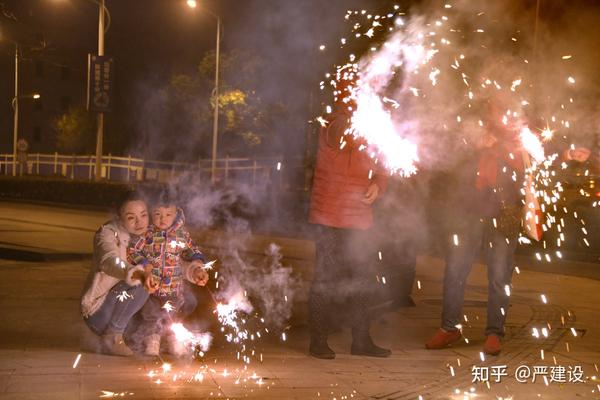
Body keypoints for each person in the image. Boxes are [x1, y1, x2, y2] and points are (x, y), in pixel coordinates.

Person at [425, 101, 590, 356]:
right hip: (467, 212)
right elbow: (447, 155)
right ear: (490, 111)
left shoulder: (521, 138)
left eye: (509, 110)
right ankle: (450, 327)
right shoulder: (473, 131)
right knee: (455, 270)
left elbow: (545, 155)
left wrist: (568, 154)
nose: (506, 115)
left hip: (506, 215)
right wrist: (474, 145)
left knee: (500, 277)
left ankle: (494, 333)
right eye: (500, 109)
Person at [307, 66, 391, 359]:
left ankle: (361, 340)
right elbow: (348, 137)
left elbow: (382, 163)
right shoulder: (334, 122)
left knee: (363, 278)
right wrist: (376, 126)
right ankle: (318, 340)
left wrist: (379, 186)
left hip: (359, 216)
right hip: (329, 214)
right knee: (325, 278)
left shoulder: (371, 122)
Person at [129, 196, 209, 357]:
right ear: (151, 214)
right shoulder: (147, 235)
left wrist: (198, 267)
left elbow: (193, 251)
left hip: (175, 287)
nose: (162, 219)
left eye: (168, 214)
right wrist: (144, 263)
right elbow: (133, 250)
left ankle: (173, 339)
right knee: (151, 315)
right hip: (153, 288)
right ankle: (152, 339)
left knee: (174, 315)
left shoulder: (181, 235)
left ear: (176, 214)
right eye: (158, 214)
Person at [80, 191, 152, 356]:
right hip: (100, 310)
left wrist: (194, 269)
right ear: (120, 218)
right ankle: (113, 337)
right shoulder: (107, 234)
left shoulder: (150, 237)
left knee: (166, 285)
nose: (139, 222)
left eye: (143, 215)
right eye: (131, 217)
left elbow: (171, 262)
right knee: (142, 284)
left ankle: (153, 335)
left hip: (122, 306)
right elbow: (109, 261)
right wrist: (133, 272)